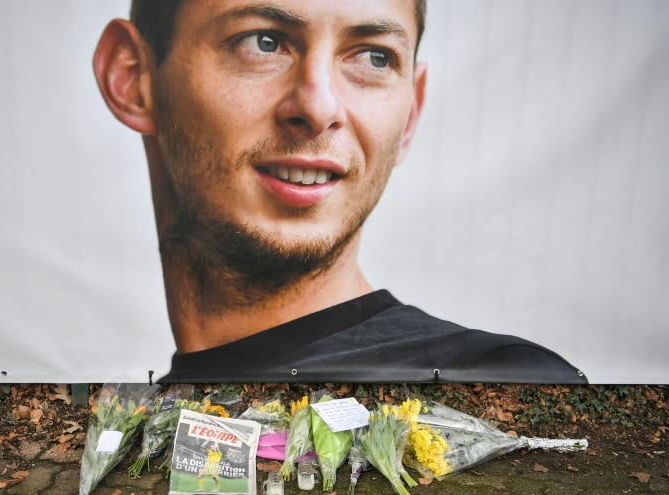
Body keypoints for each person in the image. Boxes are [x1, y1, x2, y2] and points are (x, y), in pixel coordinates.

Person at [93, 0, 587, 384]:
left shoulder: (499, 384)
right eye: (263, 42)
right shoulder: (133, 434)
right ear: (133, 77)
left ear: (410, 113)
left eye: (374, 57)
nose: (319, 106)